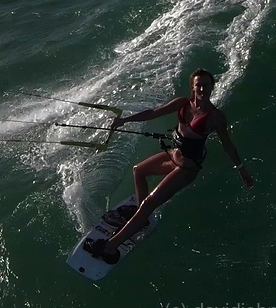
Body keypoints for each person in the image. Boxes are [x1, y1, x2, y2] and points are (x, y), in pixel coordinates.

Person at [84, 68, 254, 264]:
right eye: (198, 85)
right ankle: (141, 217)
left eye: (206, 85)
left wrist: (241, 169)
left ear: (211, 86)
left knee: (149, 203)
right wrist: (124, 120)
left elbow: (227, 145)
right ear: (192, 87)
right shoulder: (183, 103)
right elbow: (153, 113)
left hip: (187, 168)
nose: (202, 88)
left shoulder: (215, 116)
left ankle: (110, 247)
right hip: (173, 154)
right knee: (139, 171)